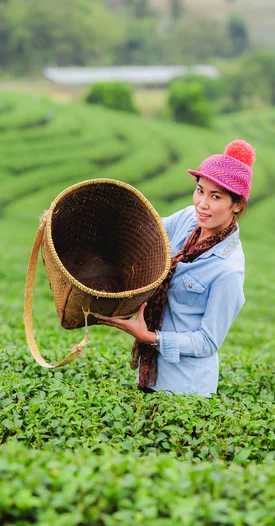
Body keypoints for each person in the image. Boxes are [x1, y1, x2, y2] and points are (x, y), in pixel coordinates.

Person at [98, 139, 256, 397]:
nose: (202, 203)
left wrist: (150, 337)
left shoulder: (228, 269)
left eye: (215, 196)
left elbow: (208, 341)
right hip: (150, 374)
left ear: (236, 205)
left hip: (185, 388)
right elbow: (146, 231)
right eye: (200, 190)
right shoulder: (188, 220)